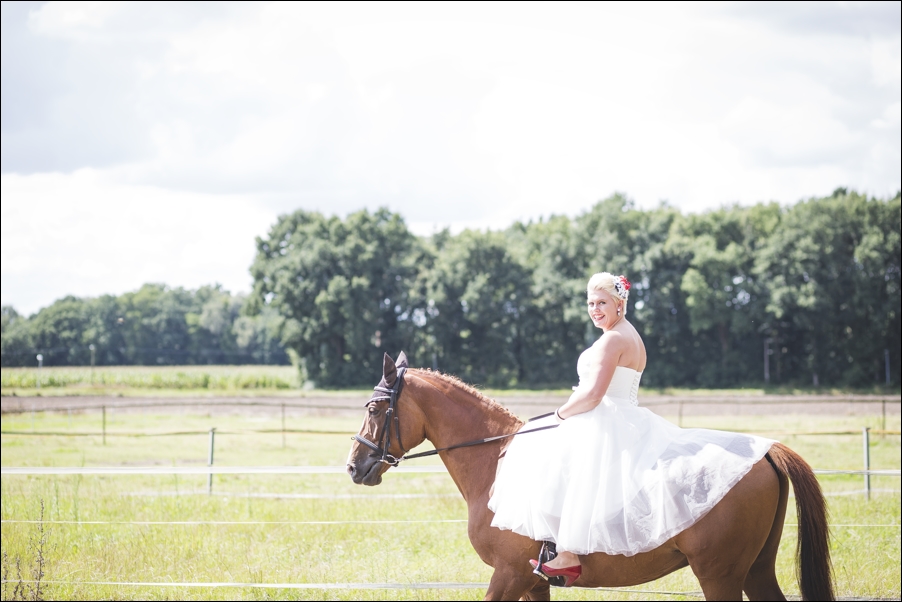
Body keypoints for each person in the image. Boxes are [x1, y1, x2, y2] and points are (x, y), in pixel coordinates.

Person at [488, 272, 774, 587]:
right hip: (621, 414)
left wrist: (557, 415)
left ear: (619, 303)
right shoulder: (629, 334)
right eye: (590, 303)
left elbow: (594, 394)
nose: (595, 310)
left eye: (602, 303)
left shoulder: (613, 339)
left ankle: (566, 552)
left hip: (605, 416)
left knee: (555, 461)